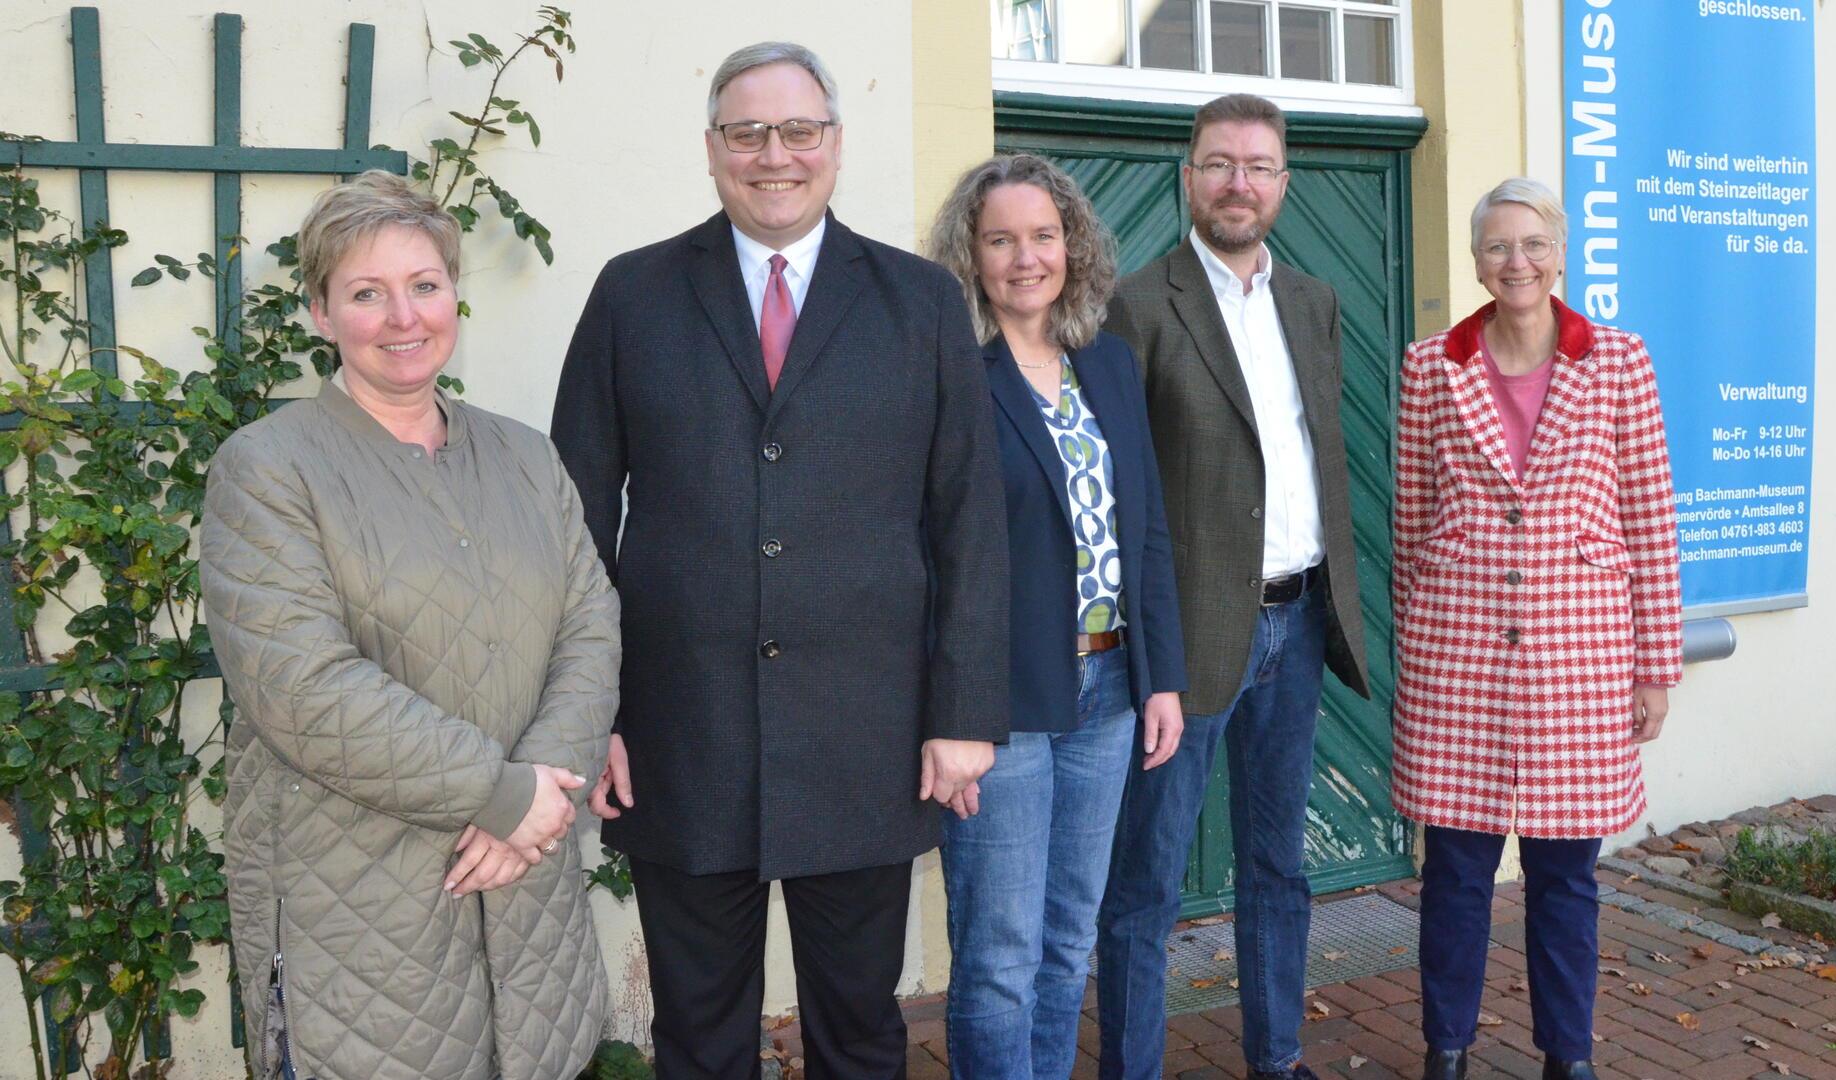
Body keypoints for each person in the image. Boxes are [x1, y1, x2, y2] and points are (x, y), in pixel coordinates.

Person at [549, 42, 1010, 1079]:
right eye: (747, 133)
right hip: (681, 734)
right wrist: (598, 712)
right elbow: (572, 523)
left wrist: (964, 713)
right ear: (712, 151)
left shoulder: (922, 304)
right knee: (699, 1037)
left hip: (868, 735)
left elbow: (969, 520)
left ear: (836, 147)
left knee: (860, 1034)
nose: (775, 155)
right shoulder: (632, 295)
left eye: (799, 131)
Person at [201, 170, 619, 1080]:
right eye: (366, 293)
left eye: (424, 285)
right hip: (356, 902)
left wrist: (540, 803)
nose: (403, 317)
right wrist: (508, 799)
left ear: (453, 295)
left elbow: (590, 626)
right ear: (320, 312)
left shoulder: (526, 456)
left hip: (526, 886)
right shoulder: (267, 471)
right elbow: (303, 688)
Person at [1096, 93, 1371, 1080]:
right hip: (1187, 639)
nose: (1238, 183)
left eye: (1257, 166)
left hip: (1297, 626)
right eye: (1218, 163)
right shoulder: (1137, 304)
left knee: (1277, 866)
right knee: (1147, 882)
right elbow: (1121, 486)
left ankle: (1278, 1058)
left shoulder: (1314, 301)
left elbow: (1315, 455)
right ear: (1189, 177)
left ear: (1284, 183)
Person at [1392, 177, 1682, 1080]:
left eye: (1531, 244)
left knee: (1566, 882)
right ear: (1475, 258)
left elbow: (1649, 516)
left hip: (1581, 659)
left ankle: (1568, 1054)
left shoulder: (1620, 361)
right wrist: (1417, 651)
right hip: (1459, 656)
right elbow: (1411, 518)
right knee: (1456, 876)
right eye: (1495, 246)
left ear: (1560, 253)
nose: (1513, 262)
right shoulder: (1429, 365)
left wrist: (1655, 666)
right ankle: (1447, 1047)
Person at [924, 154, 1187, 1079]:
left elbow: (1144, 526)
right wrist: (945, 716)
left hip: (1111, 688)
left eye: (1043, 236)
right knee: (999, 960)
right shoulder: (948, 369)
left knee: (1069, 941)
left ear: (1072, 246)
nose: (1025, 257)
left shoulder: (1106, 362)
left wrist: (1162, 678)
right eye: (1001, 239)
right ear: (971, 253)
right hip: (999, 700)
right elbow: (922, 554)